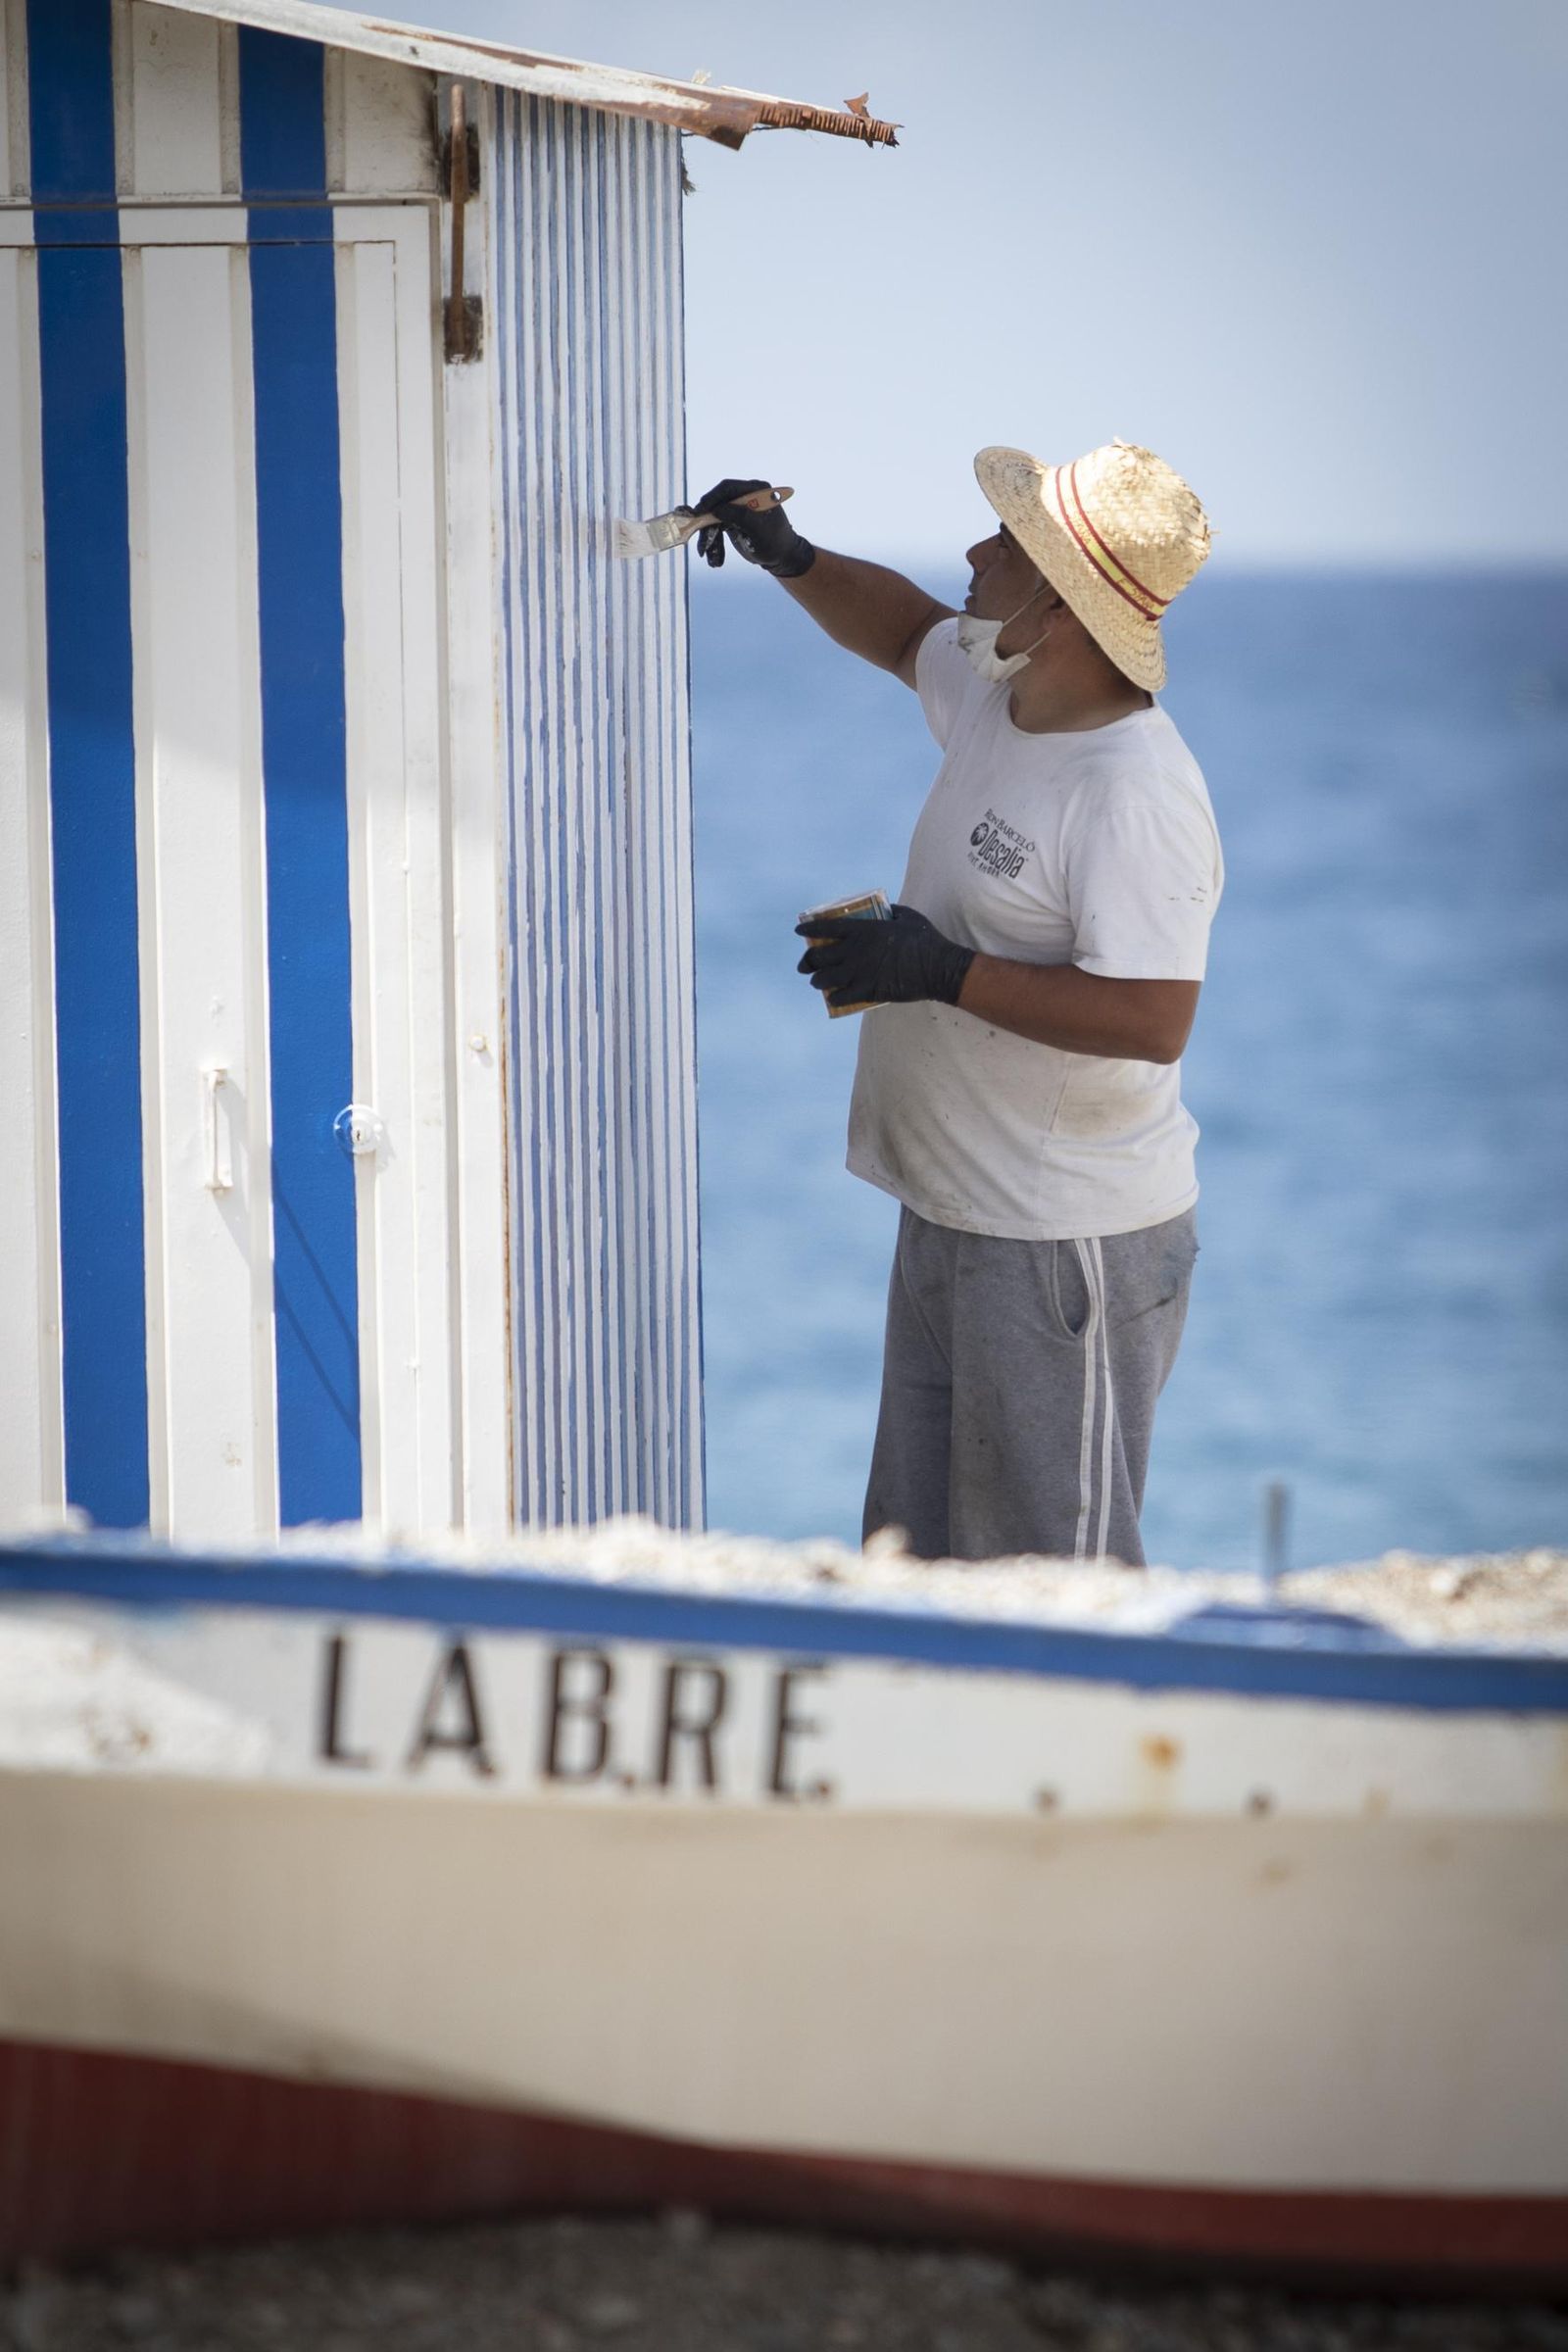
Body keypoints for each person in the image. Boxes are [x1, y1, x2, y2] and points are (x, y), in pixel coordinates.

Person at [692, 441, 1222, 1566]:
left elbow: (1151, 1020)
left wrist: (935, 971)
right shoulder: (1003, 694)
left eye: (1008, 543)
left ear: (1060, 603)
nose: (975, 551)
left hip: (1061, 1242)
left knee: (1054, 1577)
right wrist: (789, 554)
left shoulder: (1132, 794)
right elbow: (901, 632)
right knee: (918, 1560)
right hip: (954, 1212)